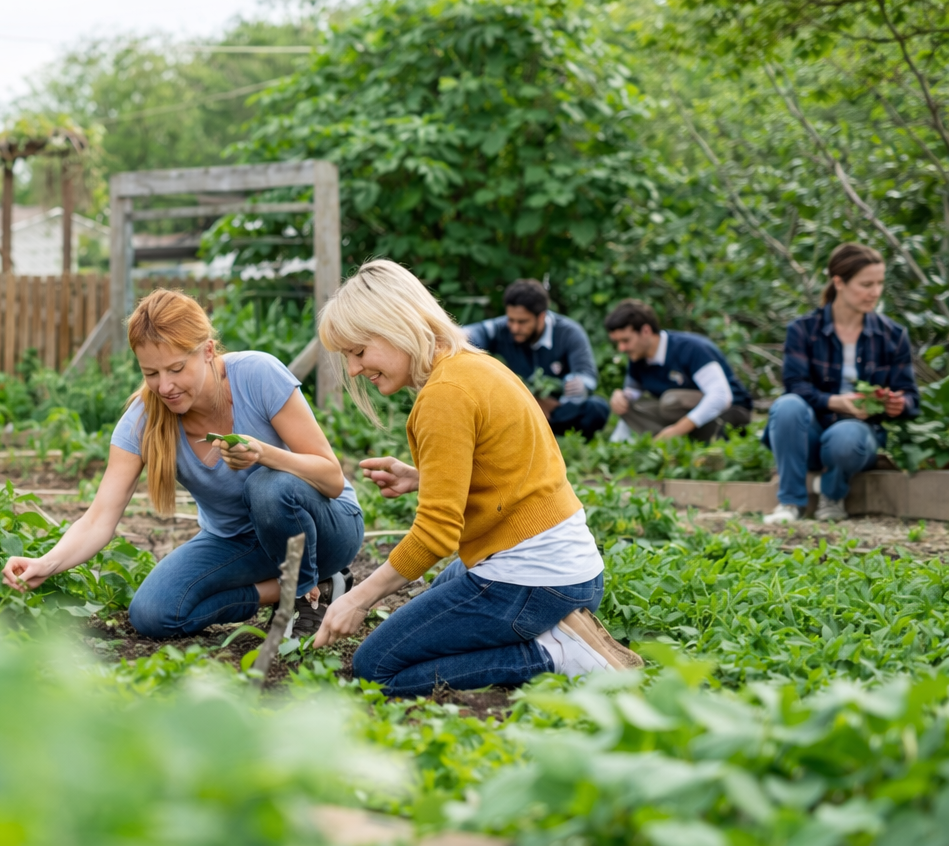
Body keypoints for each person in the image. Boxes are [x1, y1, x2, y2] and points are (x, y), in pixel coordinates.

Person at [309, 260, 642, 696]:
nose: (354, 369)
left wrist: (357, 598)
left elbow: (435, 535)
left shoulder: (444, 396)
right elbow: (507, 470)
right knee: (447, 586)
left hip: (535, 582)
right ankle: (555, 630)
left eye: (358, 351)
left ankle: (555, 656)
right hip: (573, 571)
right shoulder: (474, 365)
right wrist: (421, 476)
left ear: (395, 327)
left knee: (377, 668)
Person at [1, 288, 363, 639]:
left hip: (325, 528)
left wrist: (265, 454)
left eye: (176, 368)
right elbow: (99, 517)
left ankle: (303, 598)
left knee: (268, 485)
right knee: (153, 613)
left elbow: (331, 479)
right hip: (240, 543)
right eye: (151, 373)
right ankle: (317, 586)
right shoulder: (142, 422)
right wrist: (44, 563)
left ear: (207, 351)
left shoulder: (257, 375)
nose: (165, 386)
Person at [762, 244, 919, 525]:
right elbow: (795, 386)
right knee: (786, 406)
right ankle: (789, 502)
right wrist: (836, 402)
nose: (875, 292)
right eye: (866, 284)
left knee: (846, 437)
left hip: (857, 436)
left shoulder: (892, 335)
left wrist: (899, 403)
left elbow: (911, 398)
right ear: (839, 282)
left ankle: (832, 496)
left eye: (880, 283)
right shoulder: (803, 330)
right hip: (809, 432)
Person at [462, 278, 612, 439]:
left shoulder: (569, 332)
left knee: (597, 408)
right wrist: (533, 402)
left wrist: (564, 400)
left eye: (522, 322)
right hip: (520, 406)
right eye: (511, 320)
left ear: (541, 317)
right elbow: (467, 334)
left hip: (558, 410)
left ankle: (558, 437)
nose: (514, 327)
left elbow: (586, 378)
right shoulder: (501, 328)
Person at [604, 300, 753, 442]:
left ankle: (679, 437)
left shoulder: (690, 348)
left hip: (729, 412)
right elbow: (632, 394)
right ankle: (666, 441)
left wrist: (678, 429)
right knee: (626, 406)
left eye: (625, 341)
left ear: (646, 330)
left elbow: (721, 396)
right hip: (683, 416)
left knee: (671, 401)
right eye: (617, 342)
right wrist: (620, 397)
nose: (621, 349)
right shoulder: (638, 357)